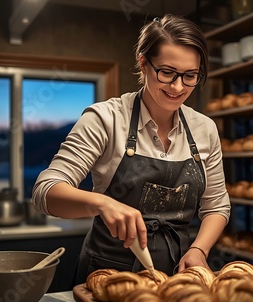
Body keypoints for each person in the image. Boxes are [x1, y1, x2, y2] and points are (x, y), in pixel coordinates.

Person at [32, 14, 231, 285]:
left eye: (190, 76)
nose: (177, 86)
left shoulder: (204, 129)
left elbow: (217, 205)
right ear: (143, 64)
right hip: (106, 277)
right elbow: (45, 191)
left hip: (175, 280)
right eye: (167, 72)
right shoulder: (106, 119)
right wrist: (101, 204)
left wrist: (199, 249)